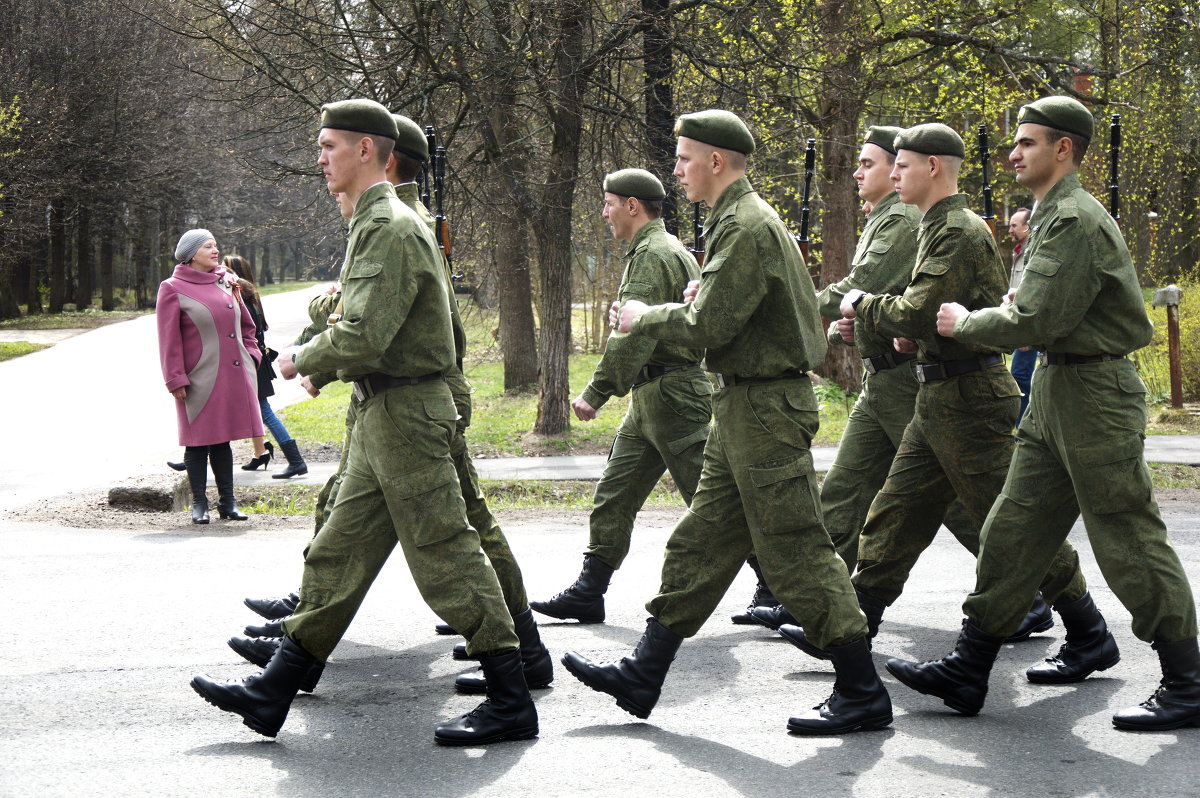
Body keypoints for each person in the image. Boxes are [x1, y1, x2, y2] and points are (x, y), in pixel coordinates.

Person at [190, 99, 538, 746]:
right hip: (385, 409)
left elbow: (366, 333)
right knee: (337, 552)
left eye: (329, 146)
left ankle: (512, 698)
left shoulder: (394, 227)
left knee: (447, 557)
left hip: (408, 410)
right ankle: (273, 692)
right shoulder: (375, 225)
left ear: (367, 151)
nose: (319, 158)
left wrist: (301, 360)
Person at [561, 109, 891, 736]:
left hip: (765, 405)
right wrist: (695, 302)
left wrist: (644, 315)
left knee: (797, 547)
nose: (678, 170)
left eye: (685, 158)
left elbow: (706, 328)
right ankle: (644, 672)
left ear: (716, 161)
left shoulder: (745, 224)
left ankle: (862, 688)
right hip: (745, 403)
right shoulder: (740, 221)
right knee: (701, 539)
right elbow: (740, 311)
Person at [889, 96, 1200, 732]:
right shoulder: (1052, 216)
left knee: (1126, 535)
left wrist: (965, 321)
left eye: (1026, 142)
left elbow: (1035, 320)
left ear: (1063, 149)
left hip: (1095, 393)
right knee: (1012, 527)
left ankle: (1188, 681)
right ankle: (969, 667)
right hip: (1057, 387)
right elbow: (1040, 307)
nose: (1012, 154)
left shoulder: (1076, 219)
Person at [760, 127, 1051, 655]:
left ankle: (1051, 602)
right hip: (912, 381)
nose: (878, 173)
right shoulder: (903, 222)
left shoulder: (924, 224)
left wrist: (809, 302)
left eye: (886, 164)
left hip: (939, 385)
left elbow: (885, 298)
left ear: (932, 166)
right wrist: (854, 322)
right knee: (871, 499)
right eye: (881, 164)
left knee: (976, 507)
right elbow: (899, 302)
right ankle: (836, 615)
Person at [826, 124, 1103, 669]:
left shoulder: (956, 228)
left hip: (971, 397)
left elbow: (916, 307)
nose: (893, 174)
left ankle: (1087, 627)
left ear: (932, 166)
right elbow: (930, 316)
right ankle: (848, 632)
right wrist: (912, 332)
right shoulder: (934, 225)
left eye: (901, 165)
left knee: (1010, 523)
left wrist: (862, 302)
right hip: (936, 393)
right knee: (894, 513)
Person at [530, 168, 710, 625]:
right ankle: (590, 592)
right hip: (653, 394)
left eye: (609, 202)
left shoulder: (652, 253)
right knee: (615, 493)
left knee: (711, 500)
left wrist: (597, 391)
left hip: (673, 394)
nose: (604, 212)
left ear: (633, 206)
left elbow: (635, 335)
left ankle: (772, 587)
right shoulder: (662, 249)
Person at [156, 230, 261, 524]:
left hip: (234, 373)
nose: (215, 251)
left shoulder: (226, 281)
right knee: (198, 441)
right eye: (208, 246)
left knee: (222, 440)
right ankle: (199, 504)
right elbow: (168, 339)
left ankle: (228, 502)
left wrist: (251, 356)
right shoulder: (172, 287)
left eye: (215, 245)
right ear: (191, 254)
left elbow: (247, 326)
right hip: (197, 376)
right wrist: (175, 378)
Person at [223, 254, 309, 479]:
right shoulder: (249, 295)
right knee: (247, 412)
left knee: (265, 413)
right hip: (255, 364)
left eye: (224, 268)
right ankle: (265, 454)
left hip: (253, 365)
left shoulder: (240, 296)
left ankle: (296, 460)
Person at [1006, 207, 1036, 423]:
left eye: (1014, 225)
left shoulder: (1031, 253)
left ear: (1027, 227)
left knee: (1020, 377)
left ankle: (1022, 423)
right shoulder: (1018, 252)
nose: (1009, 230)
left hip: (1028, 325)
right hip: (1018, 323)